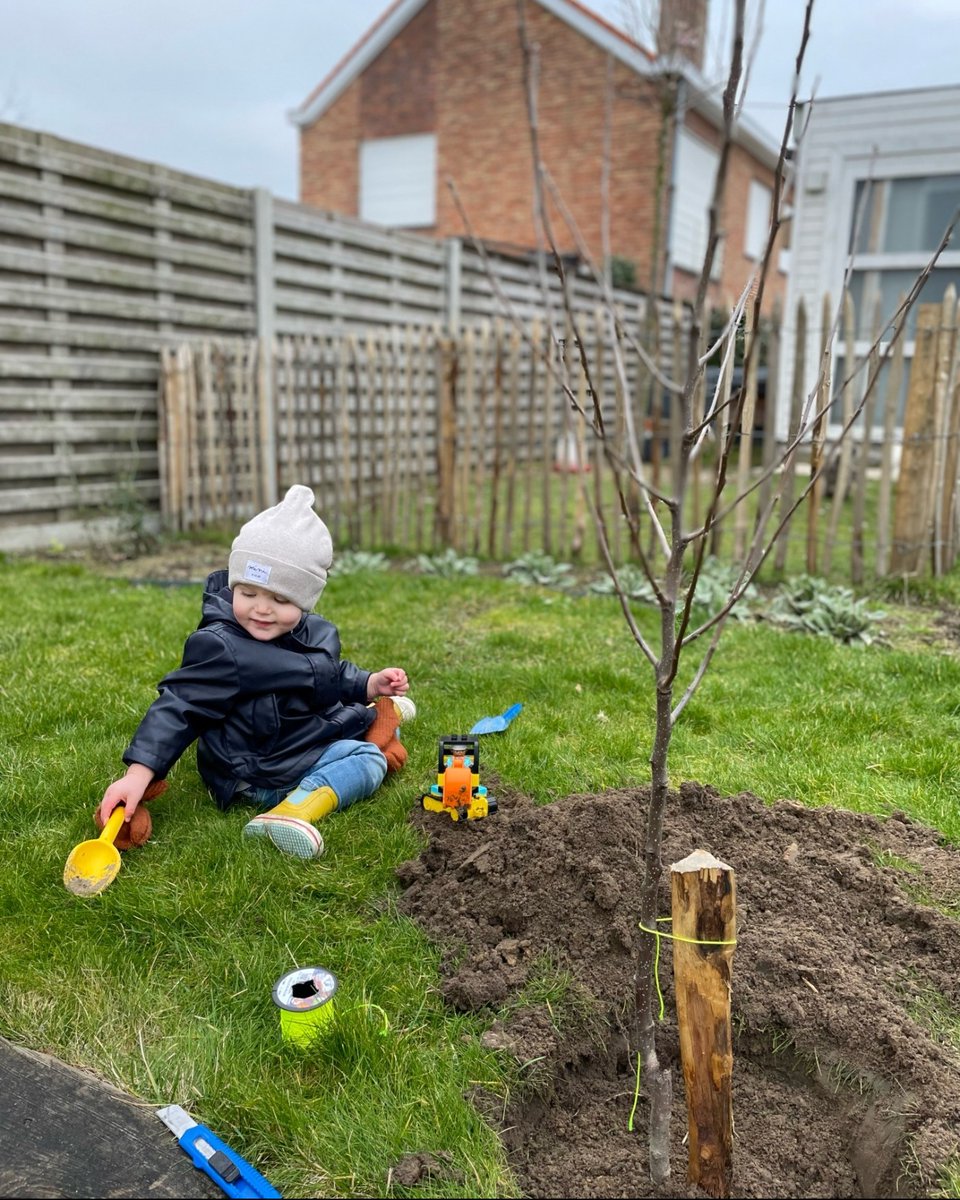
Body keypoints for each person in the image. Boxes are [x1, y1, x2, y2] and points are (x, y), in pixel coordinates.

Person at [97, 484, 411, 860]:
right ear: (234, 587)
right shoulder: (222, 647)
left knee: (363, 718)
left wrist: (370, 683)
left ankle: (373, 718)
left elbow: (327, 674)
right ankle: (293, 811)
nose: (262, 608)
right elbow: (181, 705)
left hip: (294, 742)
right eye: (248, 594)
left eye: (280, 598)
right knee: (368, 759)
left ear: (305, 600)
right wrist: (138, 774)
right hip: (255, 770)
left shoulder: (315, 632)